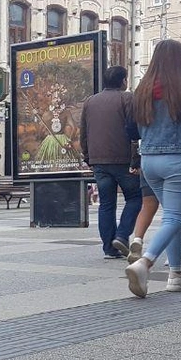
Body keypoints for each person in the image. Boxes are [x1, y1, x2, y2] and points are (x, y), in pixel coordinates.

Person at [124, 39, 181, 298]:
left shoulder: (141, 90)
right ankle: (145, 263)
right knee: (174, 217)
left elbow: (131, 130)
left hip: (149, 162)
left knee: (172, 219)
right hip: (179, 159)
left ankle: (177, 274)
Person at [81, 66, 141, 259]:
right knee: (135, 198)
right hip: (122, 159)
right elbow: (134, 130)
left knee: (106, 204)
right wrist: (136, 159)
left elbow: (83, 132)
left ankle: (109, 248)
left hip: (98, 161)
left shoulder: (90, 101)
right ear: (123, 81)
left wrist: (88, 157)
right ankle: (122, 236)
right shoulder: (127, 98)